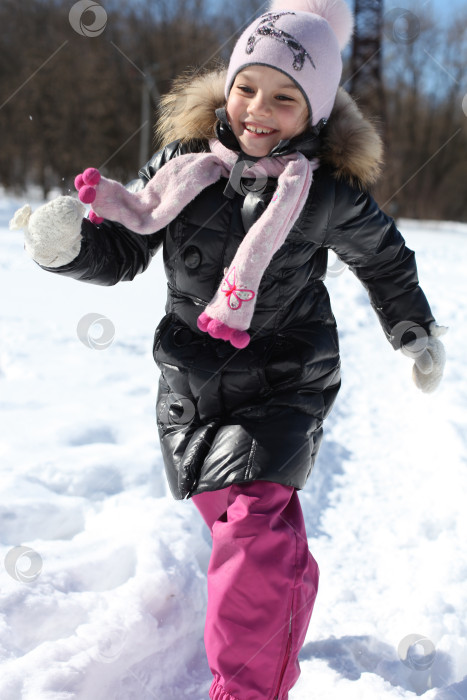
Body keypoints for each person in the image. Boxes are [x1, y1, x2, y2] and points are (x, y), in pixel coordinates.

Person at [10, 0, 447, 698]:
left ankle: (244, 688)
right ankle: (282, 592)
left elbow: (384, 260)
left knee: (251, 528)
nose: (258, 110)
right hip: (190, 383)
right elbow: (126, 248)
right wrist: (71, 249)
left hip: (285, 379)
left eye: (284, 98)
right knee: (242, 527)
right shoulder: (181, 165)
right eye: (248, 86)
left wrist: (411, 328)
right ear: (227, 83)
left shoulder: (325, 193)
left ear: (317, 114)